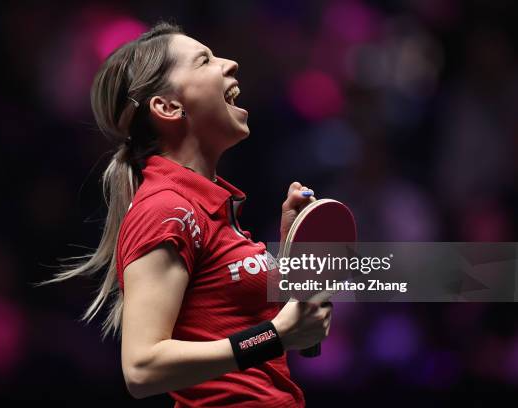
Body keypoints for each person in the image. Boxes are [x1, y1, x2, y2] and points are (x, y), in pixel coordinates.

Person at [42, 21, 332, 407]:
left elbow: (252, 331)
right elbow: (142, 368)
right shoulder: (166, 208)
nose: (230, 64)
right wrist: (274, 335)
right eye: (205, 61)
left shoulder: (210, 209)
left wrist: (292, 260)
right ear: (168, 106)